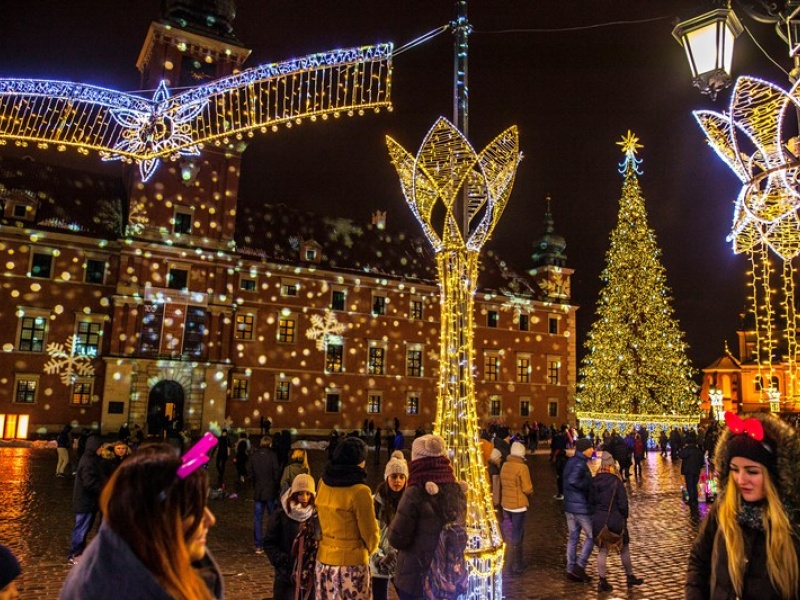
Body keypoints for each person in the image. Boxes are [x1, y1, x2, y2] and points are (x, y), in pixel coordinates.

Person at [60, 441, 223, 600]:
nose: (210, 519)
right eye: (193, 509)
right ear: (153, 516)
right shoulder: (111, 590)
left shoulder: (142, 549)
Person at [686, 412, 800, 600]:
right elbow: (699, 560)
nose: (741, 480)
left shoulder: (794, 520)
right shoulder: (723, 509)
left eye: (752, 471)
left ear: (774, 474)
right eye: (734, 469)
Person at [389, 434, 467, 600]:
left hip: (415, 578)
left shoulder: (415, 492)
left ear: (417, 460)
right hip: (447, 576)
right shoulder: (456, 490)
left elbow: (397, 539)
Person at [315, 436, 379, 599]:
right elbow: (370, 533)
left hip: (324, 562)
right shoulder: (360, 491)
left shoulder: (323, 483)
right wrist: (368, 550)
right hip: (352, 564)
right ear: (360, 461)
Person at [591, 452, 643, 592]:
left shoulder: (594, 480)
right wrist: (624, 517)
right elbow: (623, 504)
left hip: (598, 520)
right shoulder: (616, 481)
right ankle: (630, 576)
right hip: (615, 519)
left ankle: (602, 581)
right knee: (624, 547)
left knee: (603, 550)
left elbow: (590, 501)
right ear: (612, 464)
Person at [264, 474, 319, 600]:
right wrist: (283, 561)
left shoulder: (316, 515)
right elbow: (269, 542)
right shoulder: (281, 515)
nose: (304, 498)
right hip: (286, 576)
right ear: (294, 494)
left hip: (309, 576)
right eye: (300, 493)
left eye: (308, 494)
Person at [371, 451, 408, 600]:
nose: (397, 481)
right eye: (393, 476)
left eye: (401, 477)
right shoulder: (375, 502)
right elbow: (371, 533)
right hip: (379, 562)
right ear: (387, 478)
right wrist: (379, 558)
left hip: (401, 562)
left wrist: (398, 555)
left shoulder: (409, 503)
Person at [66, 434, 108, 565]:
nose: (102, 450)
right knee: (81, 529)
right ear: (95, 447)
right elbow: (89, 482)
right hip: (85, 502)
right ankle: (75, 553)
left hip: (88, 502)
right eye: (101, 447)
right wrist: (104, 489)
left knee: (84, 528)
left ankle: (79, 552)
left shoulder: (92, 459)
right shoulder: (89, 461)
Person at [563, 437, 595, 583]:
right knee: (592, 535)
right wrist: (587, 484)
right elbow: (572, 481)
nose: (593, 450)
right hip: (580, 507)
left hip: (570, 506)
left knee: (573, 537)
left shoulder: (571, 461)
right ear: (584, 449)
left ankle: (570, 569)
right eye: (591, 448)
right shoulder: (580, 464)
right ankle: (580, 566)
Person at [500, 441, 533, 576]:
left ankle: (511, 562)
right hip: (518, 505)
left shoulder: (505, 465)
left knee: (513, 531)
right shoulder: (522, 467)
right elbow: (527, 488)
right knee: (517, 533)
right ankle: (516, 564)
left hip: (506, 504)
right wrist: (530, 492)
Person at [248, 436, 281, 554]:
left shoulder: (254, 456)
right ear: (270, 444)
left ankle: (258, 545)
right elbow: (276, 473)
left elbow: (250, 474)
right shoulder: (273, 456)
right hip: (270, 491)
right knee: (272, 518)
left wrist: (255, 485)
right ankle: (272, 542)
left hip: (258, 491)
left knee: (257, 519)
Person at [679, 430, 705, 511]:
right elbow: (702, 461)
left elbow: (680, 454)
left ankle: (691, 500)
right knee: (694, 485)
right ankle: (695, 499)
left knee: (690, 485)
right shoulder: (698, 450)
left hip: (688, 470)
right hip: (696, 470)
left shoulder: (687, 449)